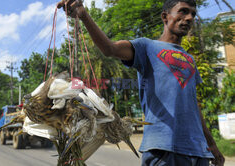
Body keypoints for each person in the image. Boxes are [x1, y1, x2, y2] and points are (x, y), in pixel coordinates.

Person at [57, 0, 225, 165]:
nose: (189, 18)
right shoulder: (146, 47)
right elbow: (110, 49)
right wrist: (84, 15)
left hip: (198, 151)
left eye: (193, 14)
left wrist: (210, 143)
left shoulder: (190, 60)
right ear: (165, 16)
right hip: (164, 149)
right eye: (183, 11)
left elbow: (193, 104)